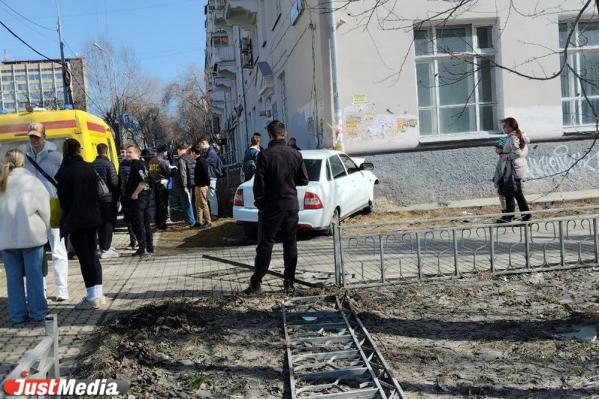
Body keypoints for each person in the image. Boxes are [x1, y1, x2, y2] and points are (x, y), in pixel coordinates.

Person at [244, 120, 309, 295]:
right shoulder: (295, 154)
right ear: (284, 134)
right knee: (290, 243)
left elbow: (259, 185)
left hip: (271, 206)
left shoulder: (265, 155)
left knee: (265, 245)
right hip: (290, 205)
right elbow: (304, 179)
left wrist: (261, 203)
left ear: (270, 135)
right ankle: (289, 283)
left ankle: (256, 283)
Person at [0, 149, 49, 323]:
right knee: (34, 275)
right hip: (31, 236)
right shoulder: (32, 182)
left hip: (7, 239)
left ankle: (17, 315)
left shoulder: (1, 184)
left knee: (13, 280)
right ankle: (38, 312)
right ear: (23, 162)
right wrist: (47, 227)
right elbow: (45, 211)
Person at [55, 139, 105, 309]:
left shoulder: (64, 171)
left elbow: (64, 201)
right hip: (93, 218)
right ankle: (99, 294)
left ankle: (91, 297)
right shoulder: (89, 167)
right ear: (79, 150)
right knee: (93, 256)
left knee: (84, 259)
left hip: (76, 220)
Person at [24, 122, 69, 302]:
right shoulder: (25, 156)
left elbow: (64, 181)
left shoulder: (56, 157)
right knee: (36, 251)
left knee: (57, 248)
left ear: (44, 135)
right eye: (31, 136)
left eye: (37, 136)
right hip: (31, 207)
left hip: (52, 205)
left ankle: (62, 289)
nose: (34, 139)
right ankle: (40, 289)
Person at [497, 117, 531, 223]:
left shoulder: (513, 137)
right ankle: (511, 216)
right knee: (512, 192)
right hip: (516, 167)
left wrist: (505, 156)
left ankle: (523, 216)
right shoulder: (516, 135)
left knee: (515, 192)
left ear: (511, 127)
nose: (503, 128)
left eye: (505, 126)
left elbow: (517, 153)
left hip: (513, 168)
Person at [92, 144, 119, 259]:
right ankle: (105, 248)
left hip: (96, 199)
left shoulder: (91, 165)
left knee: (100, 223)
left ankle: (104, 245)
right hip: (108, 199)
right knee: (108, 223)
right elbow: (114, 183)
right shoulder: (109, 164)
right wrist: (117, 196)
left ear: (97, 151)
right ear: (106, 152)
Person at [126, 144, 154, 258]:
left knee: (139, 224)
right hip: (145, 197)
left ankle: (142, 249)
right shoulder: (143, 164)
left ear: (137, 153)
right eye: (126, 152)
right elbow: (150, 179)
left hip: (139, 199)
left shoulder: (136, 165)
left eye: (130, 152)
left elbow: (143, 181)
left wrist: (135, 193)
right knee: (146, 223)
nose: (127, 154)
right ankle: (149, 246)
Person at [199, 137, 223, 219]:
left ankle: (214, 214)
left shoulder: (211, 153)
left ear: (204, 143)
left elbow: (204, 163)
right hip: (210, 176)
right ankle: (213, 213)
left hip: (211, 177)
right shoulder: (209, 152)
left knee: (212, 196)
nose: (200, 147)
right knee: (210, 196)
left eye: (200, 145)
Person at [148, 144, 171, 230]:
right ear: (164, 151)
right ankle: (163, 223)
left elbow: (149, 173)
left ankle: (157, 222)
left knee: (157, 204)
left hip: (154, 184)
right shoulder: (163, 161)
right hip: (163, 184)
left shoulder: (151, 161)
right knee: (163, 204)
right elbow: (168, 173)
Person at [118, 147, 137, 249]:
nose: (124, 154)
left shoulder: (137, 163)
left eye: (127, 152)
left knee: (137, 219)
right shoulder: (122, 164)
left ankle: (141, 241)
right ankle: (133, 241)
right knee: (129, 219)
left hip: (137, 196)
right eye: (123, 152)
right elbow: (119, 180)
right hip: (125, 196)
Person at [175, 143, 196, 227]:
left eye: (177, 151)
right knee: (190, 202)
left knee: (186, 203)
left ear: (179, 150)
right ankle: (190, 220)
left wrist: (184, 185)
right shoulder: (191, 157)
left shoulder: (181, 159)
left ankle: (191, 221)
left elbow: (183, 174)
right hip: (192, 183)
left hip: (185, 184)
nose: (177, 153)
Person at [191, 146, 211, 228]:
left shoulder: (201, 161)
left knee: (203, 203)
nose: (191, 154)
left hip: (202, 185)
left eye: (191, 153)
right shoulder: (198, 161)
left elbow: (206, 175)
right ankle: (199, 221)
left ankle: (208, 221)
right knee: (197, 204)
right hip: (198, 185)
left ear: (194, 153)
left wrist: (206, 184)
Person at [492, 136, 507, 213]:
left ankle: (507, 213)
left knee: (504, 198)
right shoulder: (501, 158)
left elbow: (503, 172)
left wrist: (498, 179)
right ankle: (505, 212)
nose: (495, 150)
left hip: (504, 183)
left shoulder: (504, 159)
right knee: (502, 198)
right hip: (501, 182)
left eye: (497, 148)